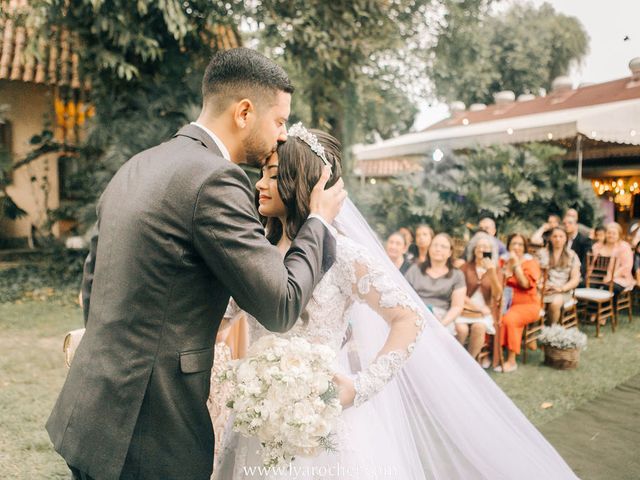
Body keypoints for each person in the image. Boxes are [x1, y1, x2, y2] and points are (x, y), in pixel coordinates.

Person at [46, 48, 346, 480]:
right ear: (244, 112)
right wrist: (318, 221)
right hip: (153, 432)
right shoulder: (216, 180)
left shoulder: (137, 166)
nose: (282, 136)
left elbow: (94, 283)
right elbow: (280, 305)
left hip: (90, 415)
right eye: (279, 121)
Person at [216, 125, 578, 479]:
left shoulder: (342, 254)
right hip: (257, 423)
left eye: (272, 175)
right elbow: (221, 320)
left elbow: (409, 320)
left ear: (301, 183)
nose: (259, 185)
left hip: (323, 423)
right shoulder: (255, 251)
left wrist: (361, 386)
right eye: (261, 174)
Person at [496, 233, 542, 373]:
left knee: (510, 319)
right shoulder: (502, 261)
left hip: (528, 305)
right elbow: (497, 282)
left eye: (520, 244)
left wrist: (516, 266)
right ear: (508, 246)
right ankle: (494, 355)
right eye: (513, 244)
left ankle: (511, 360)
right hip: (504, 302)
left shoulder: (530, 263)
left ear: (525, 247)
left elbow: (524, 284)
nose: (516, 247)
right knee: (493, 316)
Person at [404, 233, 466, 335]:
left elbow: (457, 306)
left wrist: (441, 324)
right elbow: (404, 295)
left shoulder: (457, 275)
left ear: (450, 252)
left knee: (441, 336)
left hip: (442, 316)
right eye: (435, 245)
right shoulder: (414, 270)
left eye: (443, 246)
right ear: (429, 249)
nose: (438, 249)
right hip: (415, 313)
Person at [457, 232, 503, 363]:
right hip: (465, 308)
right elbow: (459, 292)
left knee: (479, 327)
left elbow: (498, 295)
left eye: (486, 247)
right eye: (479, 246)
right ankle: (454, 360)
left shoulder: (496, 270)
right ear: (474, 249)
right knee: (461, 329)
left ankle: (469, 362)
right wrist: (477, 308)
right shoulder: (465, 267)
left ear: (491, 251)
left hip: (485, 312)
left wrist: (492, 272)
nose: (482, 249)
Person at [538, 227, 581, 324]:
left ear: (566, 238)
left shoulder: (572, 255)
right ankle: (532, 330)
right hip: (544, 288)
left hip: (563, 290)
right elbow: (536, 274)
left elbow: (575, 279)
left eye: (561, 236)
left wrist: (561, 288)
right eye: (555, 236)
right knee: (534, 300)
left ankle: (551, 330)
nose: (558, 239)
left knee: (555, 303)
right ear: (550, 238)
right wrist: (542, 286)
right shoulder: (542, 253)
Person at [591, 222, 634, 298]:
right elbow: (592, 263)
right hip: (597, 276)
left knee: (607, 288)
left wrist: (611, 276)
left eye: (614, 233)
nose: (611, 235)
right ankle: (591, 307)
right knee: (583, 284)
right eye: (609, 233)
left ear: (619, 235)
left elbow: (626, 267)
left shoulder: (624, 247)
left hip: (618, 278)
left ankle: (606, 309)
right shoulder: (598, 246)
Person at [563, 214, 591, 282]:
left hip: (577, 274)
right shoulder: (561, 239)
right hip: (562, 273)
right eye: (564, 223)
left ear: (576, 225)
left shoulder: (585, 241)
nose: (567, 225)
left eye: (570, 223)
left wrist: (577, 275)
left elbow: (586, 262)